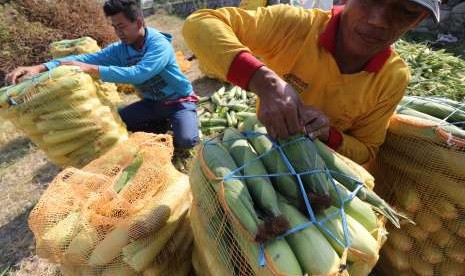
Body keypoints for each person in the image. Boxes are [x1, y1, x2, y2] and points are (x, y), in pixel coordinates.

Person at [183, 0, 439, 164]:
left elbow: (367, 149)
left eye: (405, 11)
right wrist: (264, 81)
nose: (378, 20)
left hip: (327, 174)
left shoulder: (392, 77)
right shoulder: (295, 27)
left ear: (418, 20)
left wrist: (329, 134)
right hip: (264, 151)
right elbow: (200, 24)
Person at [5, 0, 199, 149]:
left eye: (121, 26)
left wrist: (91, 70)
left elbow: (139, 74)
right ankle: (161, 125)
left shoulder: (158, 44)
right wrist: (40, 68)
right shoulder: (120, 49)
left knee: (187, 140)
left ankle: (182, 120)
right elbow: (86, 58)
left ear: (138, 22)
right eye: (114, 27)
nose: (117, 32)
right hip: (151, 104)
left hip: (178, 101)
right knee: (117, 124)